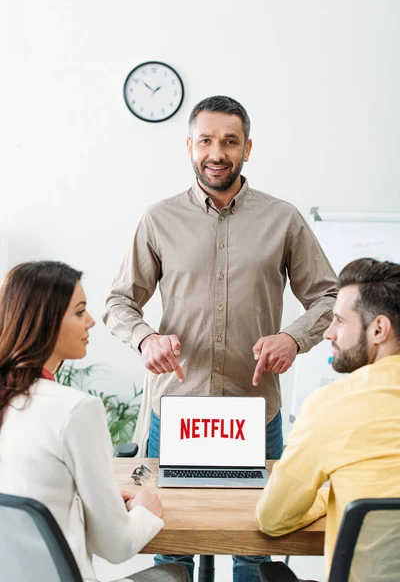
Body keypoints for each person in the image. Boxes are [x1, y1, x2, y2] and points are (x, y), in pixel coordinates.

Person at [103, 95, 337, 582]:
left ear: (247, 148)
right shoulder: (157, 219)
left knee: (255, 547)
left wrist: (294, 338)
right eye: (206, 140)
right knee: (170, 547)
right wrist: (146, 339)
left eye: (229, 141)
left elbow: (330, 298)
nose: (217, 152)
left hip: (255, 412)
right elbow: (119, 303)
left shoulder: (284, 219)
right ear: (189, 146)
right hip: (176, 415)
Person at [0, 261, 189, 582]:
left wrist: (93, 496)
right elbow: (116, 546)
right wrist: (145, 509)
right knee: (175, 572)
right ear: (44, 320)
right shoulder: (75, 410)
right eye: (79, 312)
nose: (90, 322)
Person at [256, 258, 400, 580]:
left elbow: (273, 517)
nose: (328, 334)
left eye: (339, 321)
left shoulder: (331, 406)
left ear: (378, 329)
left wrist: (329, 495)